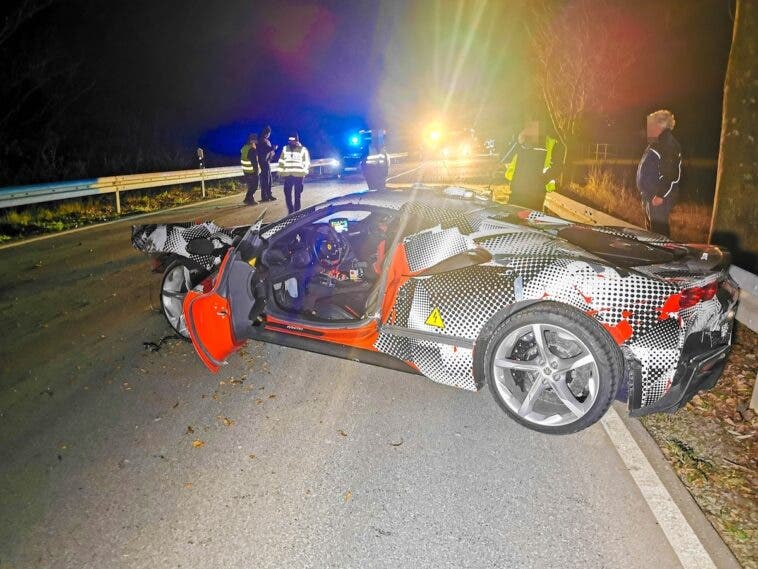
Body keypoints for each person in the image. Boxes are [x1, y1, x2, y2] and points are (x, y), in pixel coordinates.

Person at [636, 109, 682, 236]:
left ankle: (664, 255)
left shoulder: (668, 144)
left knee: (659, 234)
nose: (648, 128)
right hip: (650, 195)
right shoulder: (656, 143)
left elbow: (672, 174)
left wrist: (660, 195)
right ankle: (653, 253)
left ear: (660, 125)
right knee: (652, 233)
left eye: (651, 125)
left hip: (659, 197)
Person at [504, 126, 560, 211]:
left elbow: (556, 167)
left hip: (536, 195)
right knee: (512, 220)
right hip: (517, 191)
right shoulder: (522, 142)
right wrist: (518, 142)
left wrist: (542, 181)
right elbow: (505, 158)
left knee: (530, 221)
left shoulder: (550, 143)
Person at [277, 133, 310, 214]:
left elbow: (307, 162)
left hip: (299, 175)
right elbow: (281, 161)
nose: (291, 142)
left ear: (296, 140)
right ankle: (290, 210)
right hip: (288, 175)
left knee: (297, 194)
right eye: (290, 140)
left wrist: (304, 173)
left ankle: (297, 211)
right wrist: (279, 173)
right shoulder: (285, 149)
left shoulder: (303, 149)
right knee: (287, 193)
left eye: (293, 140)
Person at [256, 125, 278, 202]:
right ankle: (265, 196)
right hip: (264, 162)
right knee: (266, 180)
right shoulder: (262, 140)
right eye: (269, 133)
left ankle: (268, 195)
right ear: (266, 133)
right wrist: (273, 148)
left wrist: (272, 151)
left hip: (266, 162)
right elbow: (265, 150)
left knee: (269, 179)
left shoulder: (264, 140)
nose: (269, 134)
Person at [240, 134, 258, 205]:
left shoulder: (244, 148)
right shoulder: (251, 149)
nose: (256, 141)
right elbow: (254, 162)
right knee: (254, 186)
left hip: (245, 170)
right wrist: (256, 172)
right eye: (255, 140)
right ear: (252, 140)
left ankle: (248, 199)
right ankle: (249, 200)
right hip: (252, 171)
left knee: (251, 186)